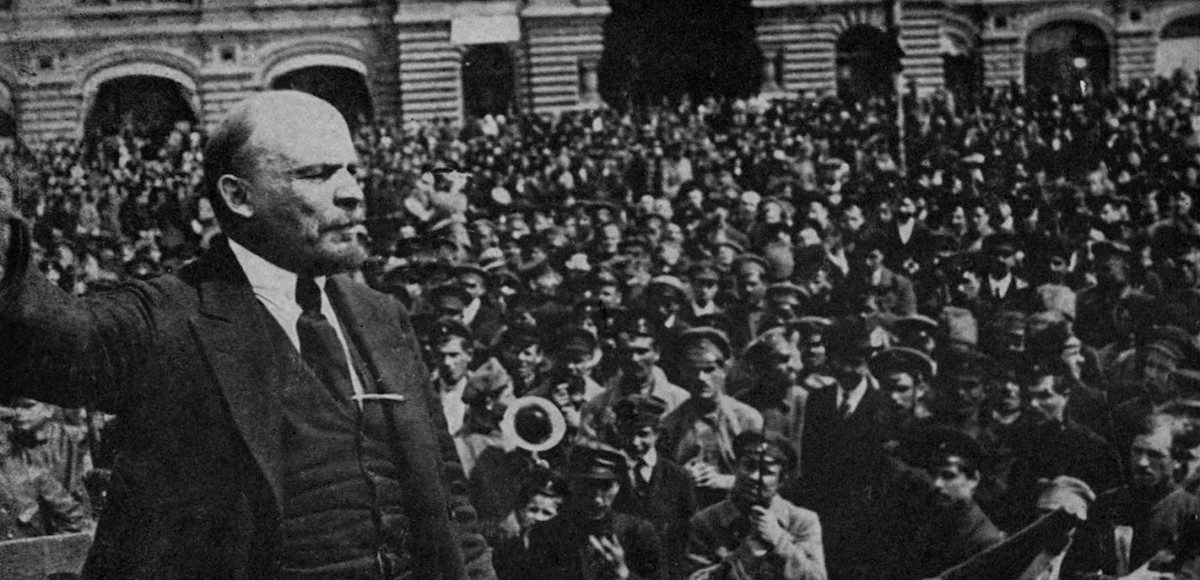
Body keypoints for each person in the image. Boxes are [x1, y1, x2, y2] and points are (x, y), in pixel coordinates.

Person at [0, 91, 483, 577]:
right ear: (238, 196)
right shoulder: (170, 316)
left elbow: (450, 499)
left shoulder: (384, 317)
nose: (352, 192)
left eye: (351, 171)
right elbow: (47, 341)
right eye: (316, 174)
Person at [686, 431, 827, 580]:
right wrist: (742, 559)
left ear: (782, 480)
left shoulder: (802, 522)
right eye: (748, 465)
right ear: (735, 467)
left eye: (767, 472)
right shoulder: (706, 521)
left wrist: (779, 541)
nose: (754, 476)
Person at [658, 328, 764, 508]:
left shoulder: (747, 419)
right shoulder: (671, 424)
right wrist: (683, 477)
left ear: (724, 370)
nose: (701, 378)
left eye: (709, 369)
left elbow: (764, 476)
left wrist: (725, 481)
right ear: (683, 373)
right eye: (693, 370)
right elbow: (661, 482)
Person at [525, 444, 664, 579]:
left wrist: (623, 574)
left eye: (605, 486)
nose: (597, 498)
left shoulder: (638, 532)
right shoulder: (547, 533)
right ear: (573, 484)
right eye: (588, 485)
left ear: (618, 486)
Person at [611, 394, 697, 579]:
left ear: (657, 433)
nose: (634, 442)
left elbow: (686, 537)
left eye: (643, 434)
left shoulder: (680, 478)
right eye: (627, 432)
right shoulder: (608, 474)